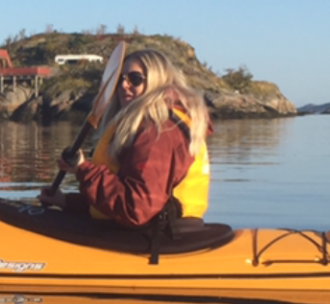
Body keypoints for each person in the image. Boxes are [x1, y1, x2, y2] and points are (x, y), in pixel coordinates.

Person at [39, 49, 211, 227]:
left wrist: (84, 170)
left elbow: (136, 207)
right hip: (141, 231)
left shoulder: (160, 132)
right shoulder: (145, 126)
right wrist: (68, 202)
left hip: (158, 240)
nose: (124, 85)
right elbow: (124, 196)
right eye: (120, 79)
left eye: (135, 79)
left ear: (156, 82)